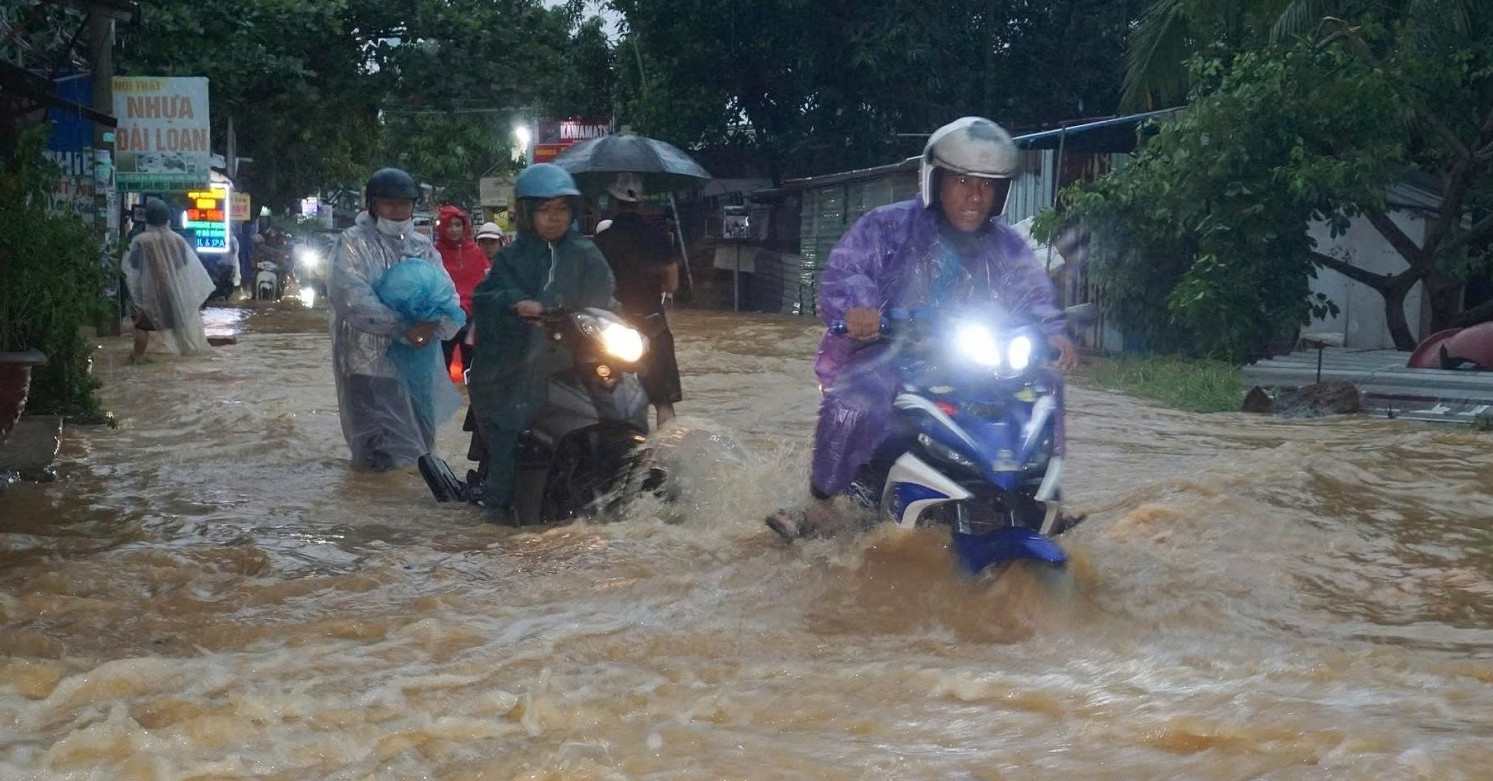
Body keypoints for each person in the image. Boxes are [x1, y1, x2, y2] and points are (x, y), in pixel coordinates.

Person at [767, 116, 1079, 540]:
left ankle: (1043, 496)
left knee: (1043, 385)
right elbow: (847, 271)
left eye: (987, 184)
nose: (975, 195)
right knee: (862, 395)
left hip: (975, 359)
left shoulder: (1006, 244)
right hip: (892, 350)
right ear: (937, 181)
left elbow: (1034, 295)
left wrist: (1054, 332)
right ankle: (823, 502)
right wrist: (861, 307)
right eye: (963, 181)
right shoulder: (887, 226)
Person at [466, 163, 616, 522]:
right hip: (516, 363)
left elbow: (606, 296)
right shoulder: (510, 258)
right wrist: (516, 304)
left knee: (624, 401)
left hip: (577, 354)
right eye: (545, 211)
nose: (554, 218)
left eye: (561, 209)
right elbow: (485, 299)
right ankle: (498, 504)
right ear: (527, 213)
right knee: (513, 424)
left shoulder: (586, 253)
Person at [328, 167, 464, 471]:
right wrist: (403, 329)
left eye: (404, 204)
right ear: (373, 205)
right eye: (389, 204)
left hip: (418, 361)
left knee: (421, 447)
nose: (398, 211)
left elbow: (447, 296)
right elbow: (352, 298)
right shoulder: (352, 242)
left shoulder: (420, 245)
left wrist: (431, 327)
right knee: (375, 452)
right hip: (367, 362)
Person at [591, 173, 683, 427]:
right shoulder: (659, 237)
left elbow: (593, 289)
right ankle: (665, 460)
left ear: (612, 201)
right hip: (654, 327)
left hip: (611, 330)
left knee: (612, 399)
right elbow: (672, 284)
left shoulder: (601, 242)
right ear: (640, 202)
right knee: (663, 403)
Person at [123, 197, 217, 362]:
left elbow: (132, 268)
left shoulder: (140, 241)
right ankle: (188, 362)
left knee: (141, 327)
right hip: (174, 294)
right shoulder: (178, 241)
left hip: (149, 296)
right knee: (182, 332)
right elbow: (184, 266)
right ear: (168, 218)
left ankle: (137, 359)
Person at [433, 205, 491, 373]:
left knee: (471, 364)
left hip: (472, 318)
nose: (454, 229)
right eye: (449, 225)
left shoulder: (475, 252)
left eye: (458, 225)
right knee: (442, 364)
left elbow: (486, 281)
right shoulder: (434, 253)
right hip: (444, 317)